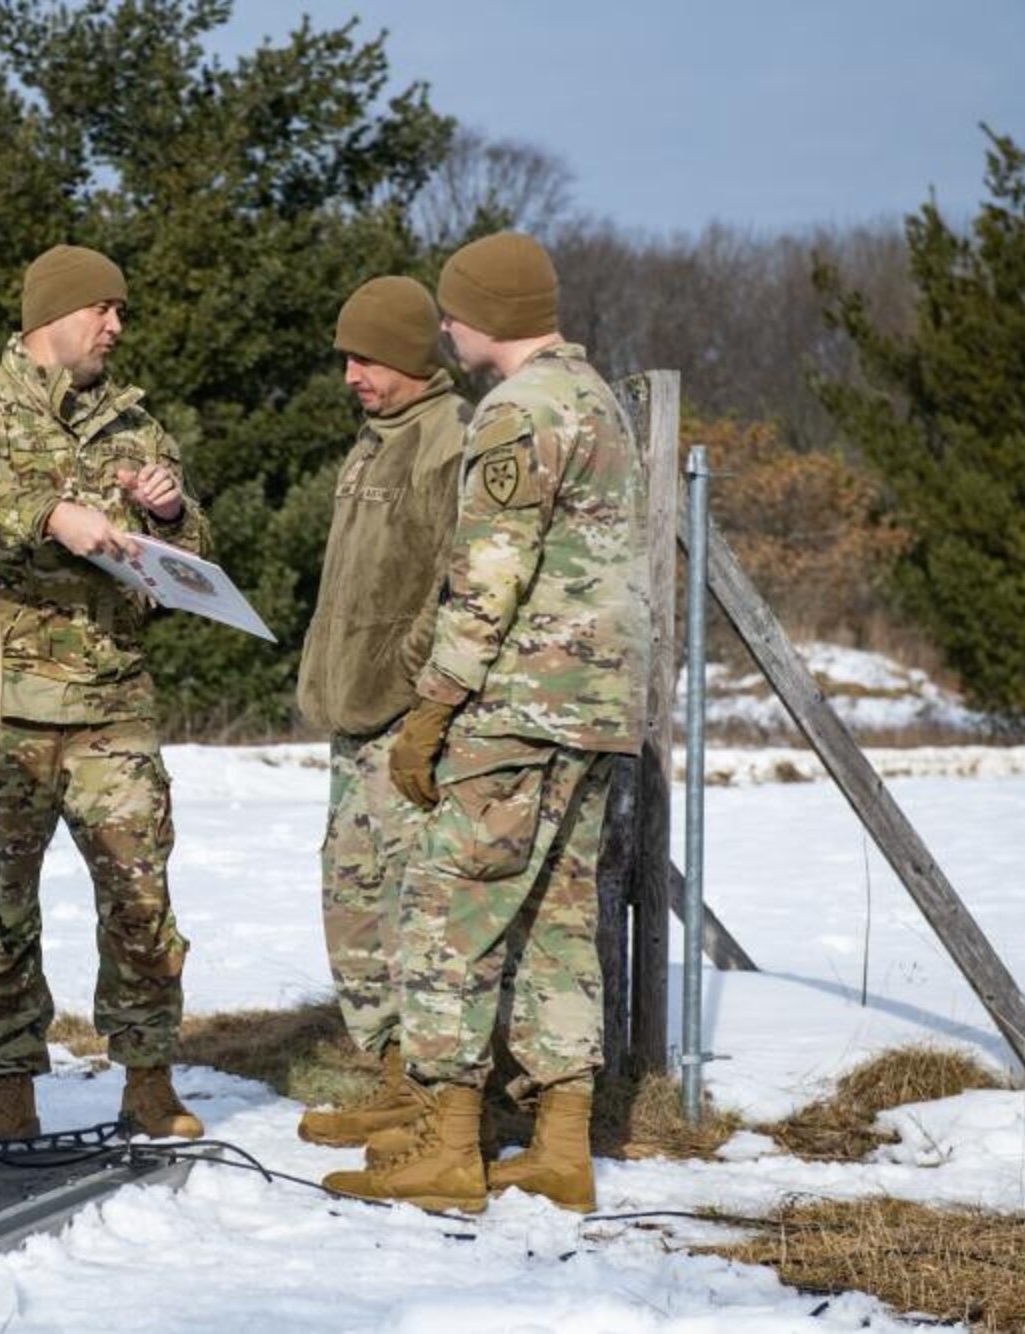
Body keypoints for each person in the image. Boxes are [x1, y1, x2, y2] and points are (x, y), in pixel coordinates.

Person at [323, 232, 646, 1214]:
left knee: (440, 914)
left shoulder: (517, 409)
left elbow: (487, 578)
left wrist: (432, 708)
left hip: (518, 709)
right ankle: (558, 1145)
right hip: (591, 715)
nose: (444, 327)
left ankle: (444, 1141)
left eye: (452, 310)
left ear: (487, 314)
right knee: (553, 924)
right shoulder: (594, 400)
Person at [0, 244, 212, 1141]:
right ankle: (9, 1087)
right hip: (1, 705)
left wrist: (169, 513)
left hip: (112, 703)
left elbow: (194, 557)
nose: (117, 328)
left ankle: (149, 1080)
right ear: (54, 313)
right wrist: (47, 516)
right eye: (104, 311)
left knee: (140, 902)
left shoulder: (136, 424)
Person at [293, 277, 470, 1149]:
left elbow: (456, 581)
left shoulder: (449, 438)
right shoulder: (371, 441)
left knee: (414, 904)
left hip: (404, 718)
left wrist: (409, 680)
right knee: (353, 895)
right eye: (346, 359)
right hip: (349, 713)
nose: (352, 375)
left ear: (409, 354)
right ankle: (391, 1069)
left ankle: (433, 1088)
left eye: (365, 358)